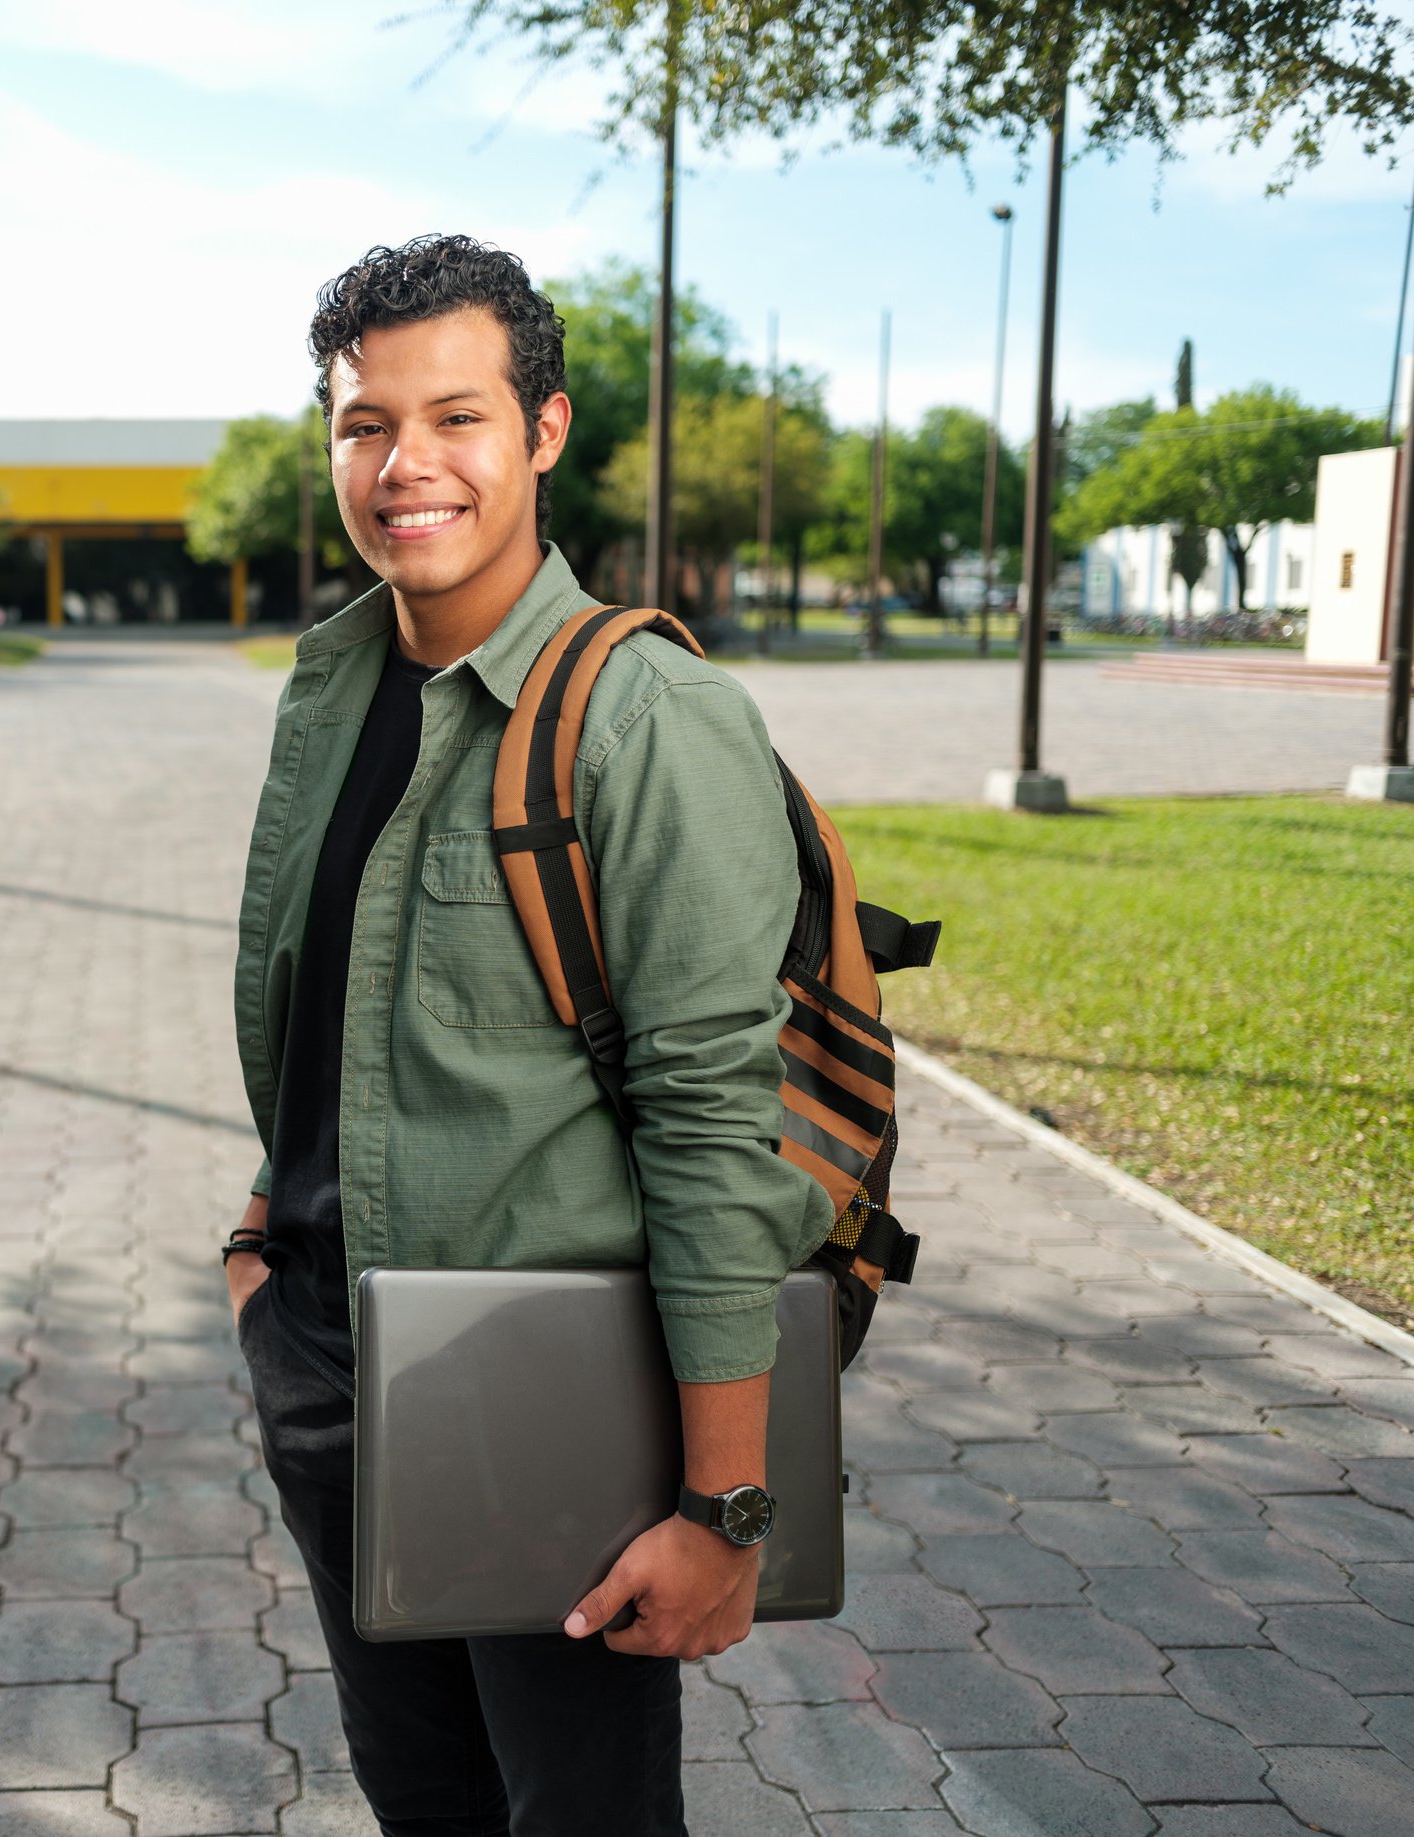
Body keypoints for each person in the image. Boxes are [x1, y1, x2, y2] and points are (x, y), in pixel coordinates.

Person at [225, 234, 830, 1837]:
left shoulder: (648, 721)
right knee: (423, 1803)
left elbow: (713, 1124)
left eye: (457, 417)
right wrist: (257, 1238)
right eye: (364, 425)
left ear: (543, 433)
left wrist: (727, 1502)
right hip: (335, 1366)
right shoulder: (344, 686)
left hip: (543, 1409)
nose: (404, 463)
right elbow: (325, 1016)